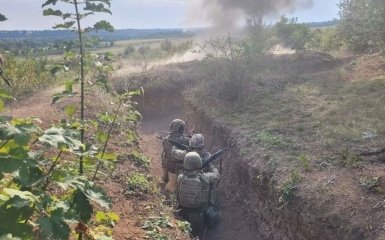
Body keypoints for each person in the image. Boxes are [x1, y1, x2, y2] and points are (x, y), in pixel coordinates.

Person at [177, 152, 220, 235]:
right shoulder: (205, 178)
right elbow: (217, 175)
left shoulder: (180, 177)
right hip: (199, 215)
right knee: (199, 235)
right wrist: (210, 165)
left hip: (183, 213)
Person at [161, 119, 190, 184]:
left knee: (163, 155)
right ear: (181, 129)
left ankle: (165, 177)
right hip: (180, 168)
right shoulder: (186, 140)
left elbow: (164, 152)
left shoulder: (166, 139)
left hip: (168, 165)